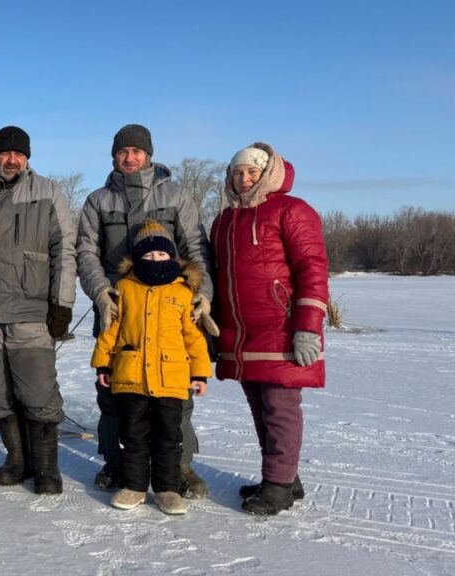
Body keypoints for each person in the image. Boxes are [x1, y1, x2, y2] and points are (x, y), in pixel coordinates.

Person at [76, 123, 215, 498]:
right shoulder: (98, 200)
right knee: (113, 389)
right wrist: (102, 293)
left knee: (176, 392)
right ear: (114, 156)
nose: (129, 157)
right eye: (122, 152)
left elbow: (196, 249)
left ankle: (180, 466)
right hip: (120, 311)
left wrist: (202, 294)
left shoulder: (176, 195)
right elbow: (86, 252)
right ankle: (116, 462)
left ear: (149, 155)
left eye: (136, 151)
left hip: (173, 310)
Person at [0, 126, 76, 495]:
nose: (11, 159)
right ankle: (16, 459)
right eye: (5, 153)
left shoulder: (47, 192)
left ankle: (45, 467)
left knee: (38, 393)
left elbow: (65, 249)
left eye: (18, 154)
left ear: (27, 157)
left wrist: (61, 303)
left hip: (31, 312)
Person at [210, 142, 328, 516]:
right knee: (260, 409)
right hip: (240, 334)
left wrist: (307, 327)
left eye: (252, 172)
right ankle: (282, 478)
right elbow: (216, 277)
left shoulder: (292, 210)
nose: (244, 179)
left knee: (280, 409)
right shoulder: (225, 220)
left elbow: (313, 269)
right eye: (237, 172)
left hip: (281, 329)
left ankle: (277, 486)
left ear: (268, 173)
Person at [90, 220, 212, 515]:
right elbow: (111, 330)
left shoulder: (183, 292)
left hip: (171, 379)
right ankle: (134, 487)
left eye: (161, 255)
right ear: (137, 259)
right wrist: (103, 364)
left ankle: (167, 489)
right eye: (147, 256)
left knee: (169, 437)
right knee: (132, 435)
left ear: (172, 257)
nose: (155, 260)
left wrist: (199, 372)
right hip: (132, 377)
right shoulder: (124, 287)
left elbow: (193, 337)